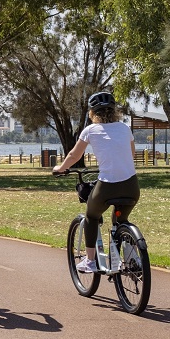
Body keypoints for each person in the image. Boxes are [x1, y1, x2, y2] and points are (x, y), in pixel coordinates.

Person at [53, 91, 139, 273]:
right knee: (121, 219)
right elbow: (131, 155)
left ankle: (90, 260)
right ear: (114, 111)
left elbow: (74, 155)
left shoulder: (90, 130)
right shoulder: (125, 128)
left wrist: (60, 168)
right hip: (132, 186)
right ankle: (133, 259)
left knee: (92, 216)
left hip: (108, 186)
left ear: (92, 113)